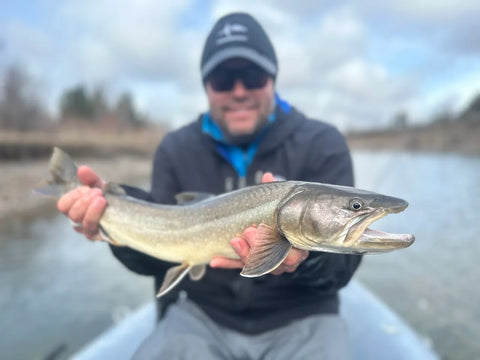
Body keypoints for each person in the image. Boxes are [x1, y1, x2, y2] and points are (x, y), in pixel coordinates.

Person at [58, 12, 361, 359]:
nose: (239, 91)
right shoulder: (175, 148)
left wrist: (302, 257)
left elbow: (342, 269)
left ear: (272, 78)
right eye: (222, 78)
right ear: (205, 85)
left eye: (252, 75)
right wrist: (111, 217)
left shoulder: (322, 142)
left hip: (304, 314)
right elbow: (158, 248)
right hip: (203, 315)